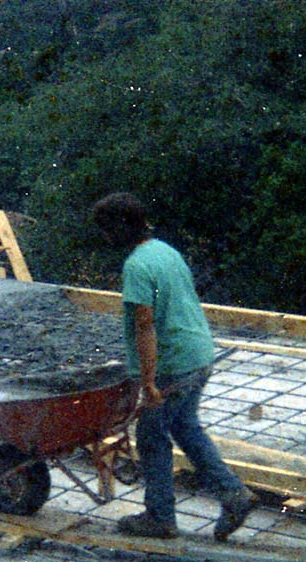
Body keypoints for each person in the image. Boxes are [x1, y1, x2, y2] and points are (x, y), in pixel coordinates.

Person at [92, 192, 254, 541]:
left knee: (151, 438)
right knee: (185, 427)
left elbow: (145, 325)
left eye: (107, 229)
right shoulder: (165, 251)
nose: (105, 238)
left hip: (173, 364)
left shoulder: (136, 265)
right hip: (198, 354)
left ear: (122, 227)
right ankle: (233, 494)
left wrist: (148, 382)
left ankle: (160, 517)